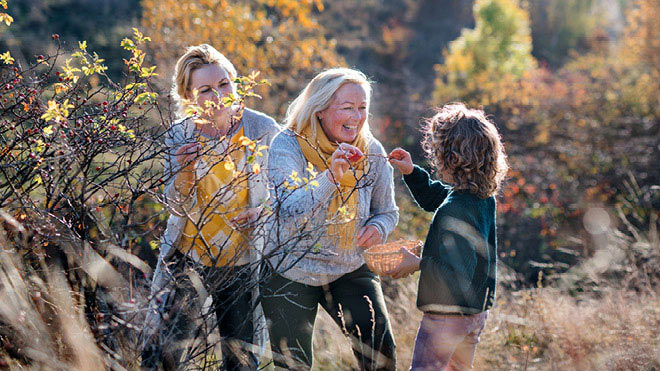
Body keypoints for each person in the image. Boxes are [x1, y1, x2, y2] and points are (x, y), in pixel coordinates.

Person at [141, 44, 280, 370]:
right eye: (205, 89)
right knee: (162, 355)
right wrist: (184, 169)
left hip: (243, 262)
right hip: (190, 260)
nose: (218, 94)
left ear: (235, 83)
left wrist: (263, 211)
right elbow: (175, 206)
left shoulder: (261, 129)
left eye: (224, 84)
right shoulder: (180, 135)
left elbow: (287, 191)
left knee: (242, 362)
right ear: (189, 97)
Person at [260, 68, 399, 370]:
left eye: (362, 108)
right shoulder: (288, 145)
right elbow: (287, 210)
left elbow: (388, 212)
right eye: (347, 108)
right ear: (320, 110)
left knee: (381, 359)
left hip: (348, 267)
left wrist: (378, 227)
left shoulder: (370, 150)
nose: (357, 116)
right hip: (288, 270)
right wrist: (330, 178)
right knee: (291, 366)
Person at [386, 103, 508, 370]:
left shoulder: (457, 209)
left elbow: (457, 274)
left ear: (450, 158)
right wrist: (411, 172)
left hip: (446, 317)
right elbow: (435, 199)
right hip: (474, 314)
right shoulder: (478, 198)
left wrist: (417, 263)